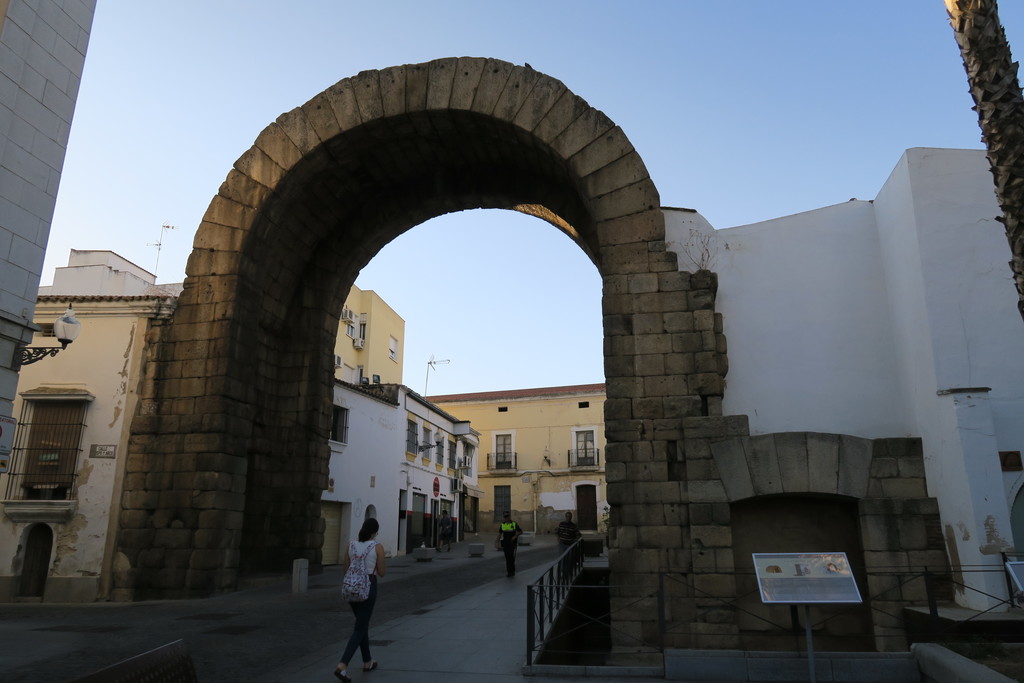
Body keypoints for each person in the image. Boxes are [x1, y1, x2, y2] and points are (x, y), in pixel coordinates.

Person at [334, 518, 386, 682]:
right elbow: (382, 572)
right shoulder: (377, 547)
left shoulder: (350, 545)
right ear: (374, 532)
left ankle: (367, 661)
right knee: (359, 628)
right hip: (368, 588)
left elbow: (345, 568)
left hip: (351, 589)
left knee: (361, 624)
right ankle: (342, 666)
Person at [495, 510, 522, 577]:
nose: (506, 517)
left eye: (507, 516)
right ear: (504, 517)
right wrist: (497, 542)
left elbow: (520, 531)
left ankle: (512, 571)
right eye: (505, 516)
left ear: (509, 516)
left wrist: (515, 536)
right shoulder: (502, 525)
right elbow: (499, 534)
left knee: (511, 557)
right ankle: (509, 572)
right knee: (507, 557)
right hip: (505, 543)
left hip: (512, 543)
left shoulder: (514, 524)